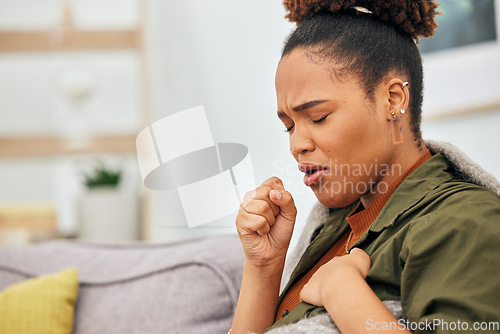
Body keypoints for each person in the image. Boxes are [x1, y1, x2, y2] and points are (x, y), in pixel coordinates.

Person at [230, 1, 500, 333]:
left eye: (318, 117)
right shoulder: (333, 227)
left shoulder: (464, 222)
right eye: (289, 126)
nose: (296, 144)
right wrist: (263, 265)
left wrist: (342, 290)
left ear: (394, 100)